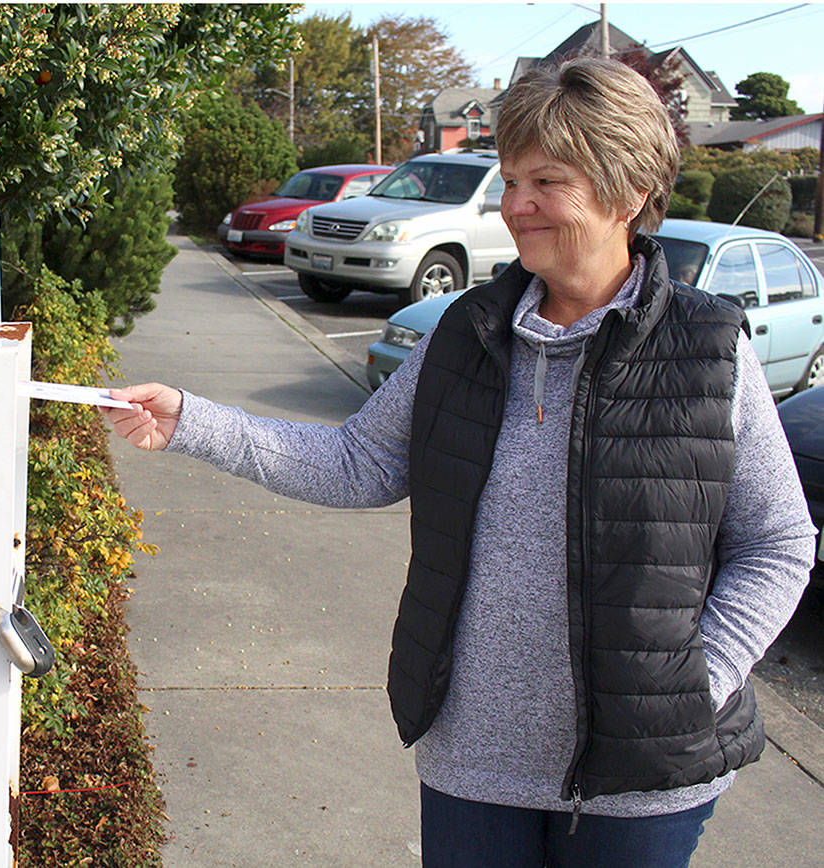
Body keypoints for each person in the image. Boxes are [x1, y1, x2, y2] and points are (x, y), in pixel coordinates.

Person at [104, 56, 817, 867]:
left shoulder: (707, 347)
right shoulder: (468, 332)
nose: (515, 206)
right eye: (509, 179)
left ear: (625, 190)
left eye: (546, 181)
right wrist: (192, 420)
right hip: (475, 757)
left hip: (646, 777)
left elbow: (779, 544)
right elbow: (356, 461)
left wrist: (699, 684)